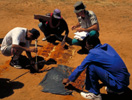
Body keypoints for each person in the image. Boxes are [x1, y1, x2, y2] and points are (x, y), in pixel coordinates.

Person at [63, 36, 130, 100]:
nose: (86, 47)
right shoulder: (107, 46)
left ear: (91, 46)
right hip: (124, 81)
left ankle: (95, 94)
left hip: (118, 85)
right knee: (102, 64)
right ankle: (114, 89)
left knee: (91, 66)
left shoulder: (93, 53)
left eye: (86, 46)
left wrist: (69, 79)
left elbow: (81, 67)